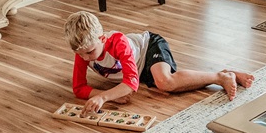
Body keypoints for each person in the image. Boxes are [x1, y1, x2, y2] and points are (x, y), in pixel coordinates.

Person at [63, 11, 254, 114]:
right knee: (164, 86)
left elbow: (130, 84)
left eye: (89, 52)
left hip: (149, 48)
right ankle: (225, 74)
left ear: (102, 39)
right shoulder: (83, 51)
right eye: (81, 54)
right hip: (138, 71)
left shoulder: (118, 42)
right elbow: (78, 88)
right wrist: (107, 93)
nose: (86, 58)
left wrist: (103, 97)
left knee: (165, 82)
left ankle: (221, 76)